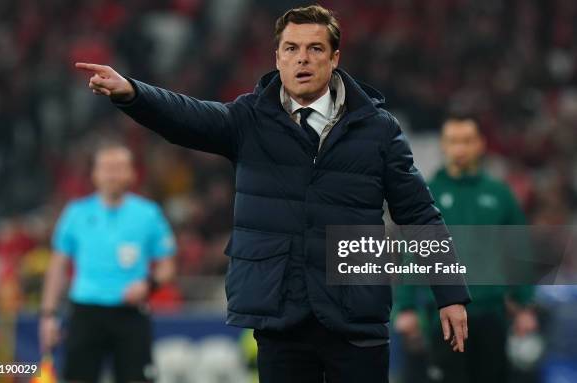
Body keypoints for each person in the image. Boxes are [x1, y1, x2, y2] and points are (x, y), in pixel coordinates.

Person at [75, 5, 470, 382]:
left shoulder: (378, 129)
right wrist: (132, 93)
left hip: (355, 314)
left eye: (315, 48)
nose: (303, 59)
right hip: (280, 313)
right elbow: (186, 116)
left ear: (334, 58)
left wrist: (450, 294)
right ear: (277, 58)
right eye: (291, 49)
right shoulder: (248, 119)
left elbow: (419, 213)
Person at [394, 114, 538, 383]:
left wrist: (525, 305)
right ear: (443, 146)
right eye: (453, 141)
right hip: (442, 315)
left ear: (481, 144)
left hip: (491, 313)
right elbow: (412, 253)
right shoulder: (426, 193)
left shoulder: (500, 194)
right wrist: (406, 306)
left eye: (467, 141)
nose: (460, 148)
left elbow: (519, 251)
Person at [39, 142, 177, 383]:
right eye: (106, 167)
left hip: (131, 314)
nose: (112, 174)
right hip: (85, 310)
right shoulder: (76, 213)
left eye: (119, 167)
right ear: (94, 174)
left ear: (132, 174)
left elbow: (167, 266)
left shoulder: (148, 214)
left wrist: (149, 284)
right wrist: (48, 314)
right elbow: (58, 266)